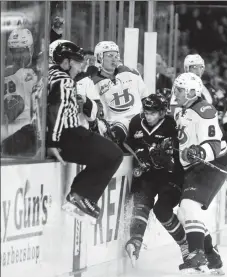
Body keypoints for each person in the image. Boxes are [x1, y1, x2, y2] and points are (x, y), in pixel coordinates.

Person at [47, 41, 123, 219]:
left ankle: (79, 194)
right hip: (69, 134)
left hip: (64, 134)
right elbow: (56, 111)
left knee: (103, 154)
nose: (81, 66)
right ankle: (80, 195)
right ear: (66, 62)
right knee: (114, 154)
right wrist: (53, 142)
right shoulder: (64, 80)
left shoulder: (49, 75)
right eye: (77, 61)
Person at [172, 72, 227, 273]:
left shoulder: (204, 110)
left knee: (189, 206)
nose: (176, 93)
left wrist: (200, 151)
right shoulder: (182, 110)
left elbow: (214, 144)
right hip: (194, 167)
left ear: (192, 92)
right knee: (184, 212)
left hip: (212, 164)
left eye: (180, 90)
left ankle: (197, 254)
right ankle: (212, 258)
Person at [124, 93, 189, 265]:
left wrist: (170, 155)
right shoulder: (136, 122)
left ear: (162, 112)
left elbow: (182, 149)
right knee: (141, 203)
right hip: (147, 174)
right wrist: (140, 153)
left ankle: (185, 245)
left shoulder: (172, 125)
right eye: (146, 112)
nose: (148, 115)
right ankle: (135, 241)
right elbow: (128, 144)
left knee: (162, 210)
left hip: (170, 176)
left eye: (153, 113)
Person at [91, 41, 149, 147]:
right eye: (110, 55)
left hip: (139, 121)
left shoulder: (131, 73)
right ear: (99, 58)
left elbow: (145, 97)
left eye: (116, 55)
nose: (114, 59)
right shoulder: (93, 82)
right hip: (114, 126)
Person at [2, 28, 38, 156]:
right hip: (10, 138)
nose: (19, 56)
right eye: (15, 52)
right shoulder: (5, 75)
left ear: (31, 50)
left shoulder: (38, 73)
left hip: (30, 137)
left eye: (23, 51)